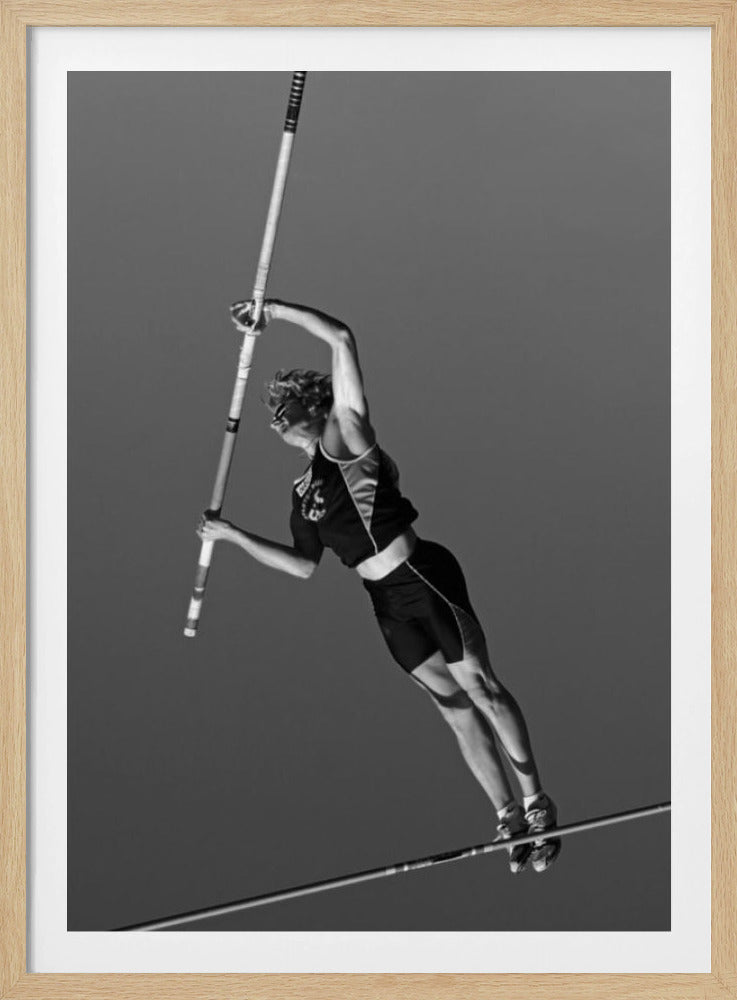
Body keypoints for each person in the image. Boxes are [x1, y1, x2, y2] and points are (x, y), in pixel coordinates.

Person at [197, 298, 561, 874]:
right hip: (386, 604)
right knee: (453, 708)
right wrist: (232, 535)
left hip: (421, 575)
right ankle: (507, 818)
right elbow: (302, 565)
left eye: (283, 408)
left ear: (312, 405)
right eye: (274, 417)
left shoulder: (346, 434)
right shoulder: (301, 494)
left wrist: (274, 313)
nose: (276, 422)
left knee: (481, 688)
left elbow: (342, 337)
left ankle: (537, 802)